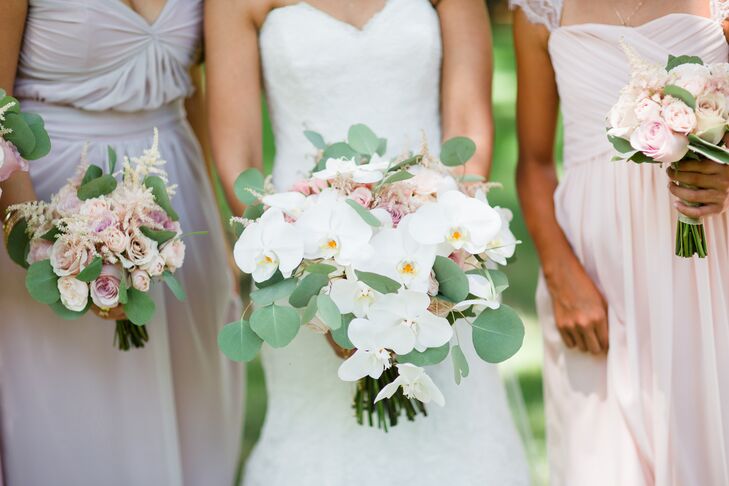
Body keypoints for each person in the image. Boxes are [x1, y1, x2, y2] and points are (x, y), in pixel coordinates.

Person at [206, 0, 531, 484]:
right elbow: (239, 152)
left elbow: (467, 119)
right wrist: (306, 272)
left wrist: (443, 253)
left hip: (432, 245)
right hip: (306, 252)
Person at [0, 1, 243, 484]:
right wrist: (42, 243)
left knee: (194, 407)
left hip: (177, 194)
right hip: (48, 194)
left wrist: (217, 224)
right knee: (73, 415)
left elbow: (191, 92)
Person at [512, 0, 729, 484]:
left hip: (706, 263)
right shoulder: (539, 10)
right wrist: (560, 273)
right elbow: (533, 163)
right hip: (592, 272)